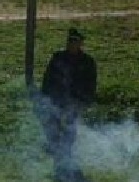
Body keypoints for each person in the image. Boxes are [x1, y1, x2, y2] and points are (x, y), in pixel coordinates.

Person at [37, 28, 97, 166]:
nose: (71, 44)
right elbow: (48, 79)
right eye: (70, 41)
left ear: (81, 43)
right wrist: (45, 98)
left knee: (70, 127)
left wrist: (84, 101)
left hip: (76, 101)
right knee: (53, 126)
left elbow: (91, 84)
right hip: (56, 100)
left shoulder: (88, 62)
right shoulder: (58, 57)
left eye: (75, 41)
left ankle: (66, 153)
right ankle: (58, 151)